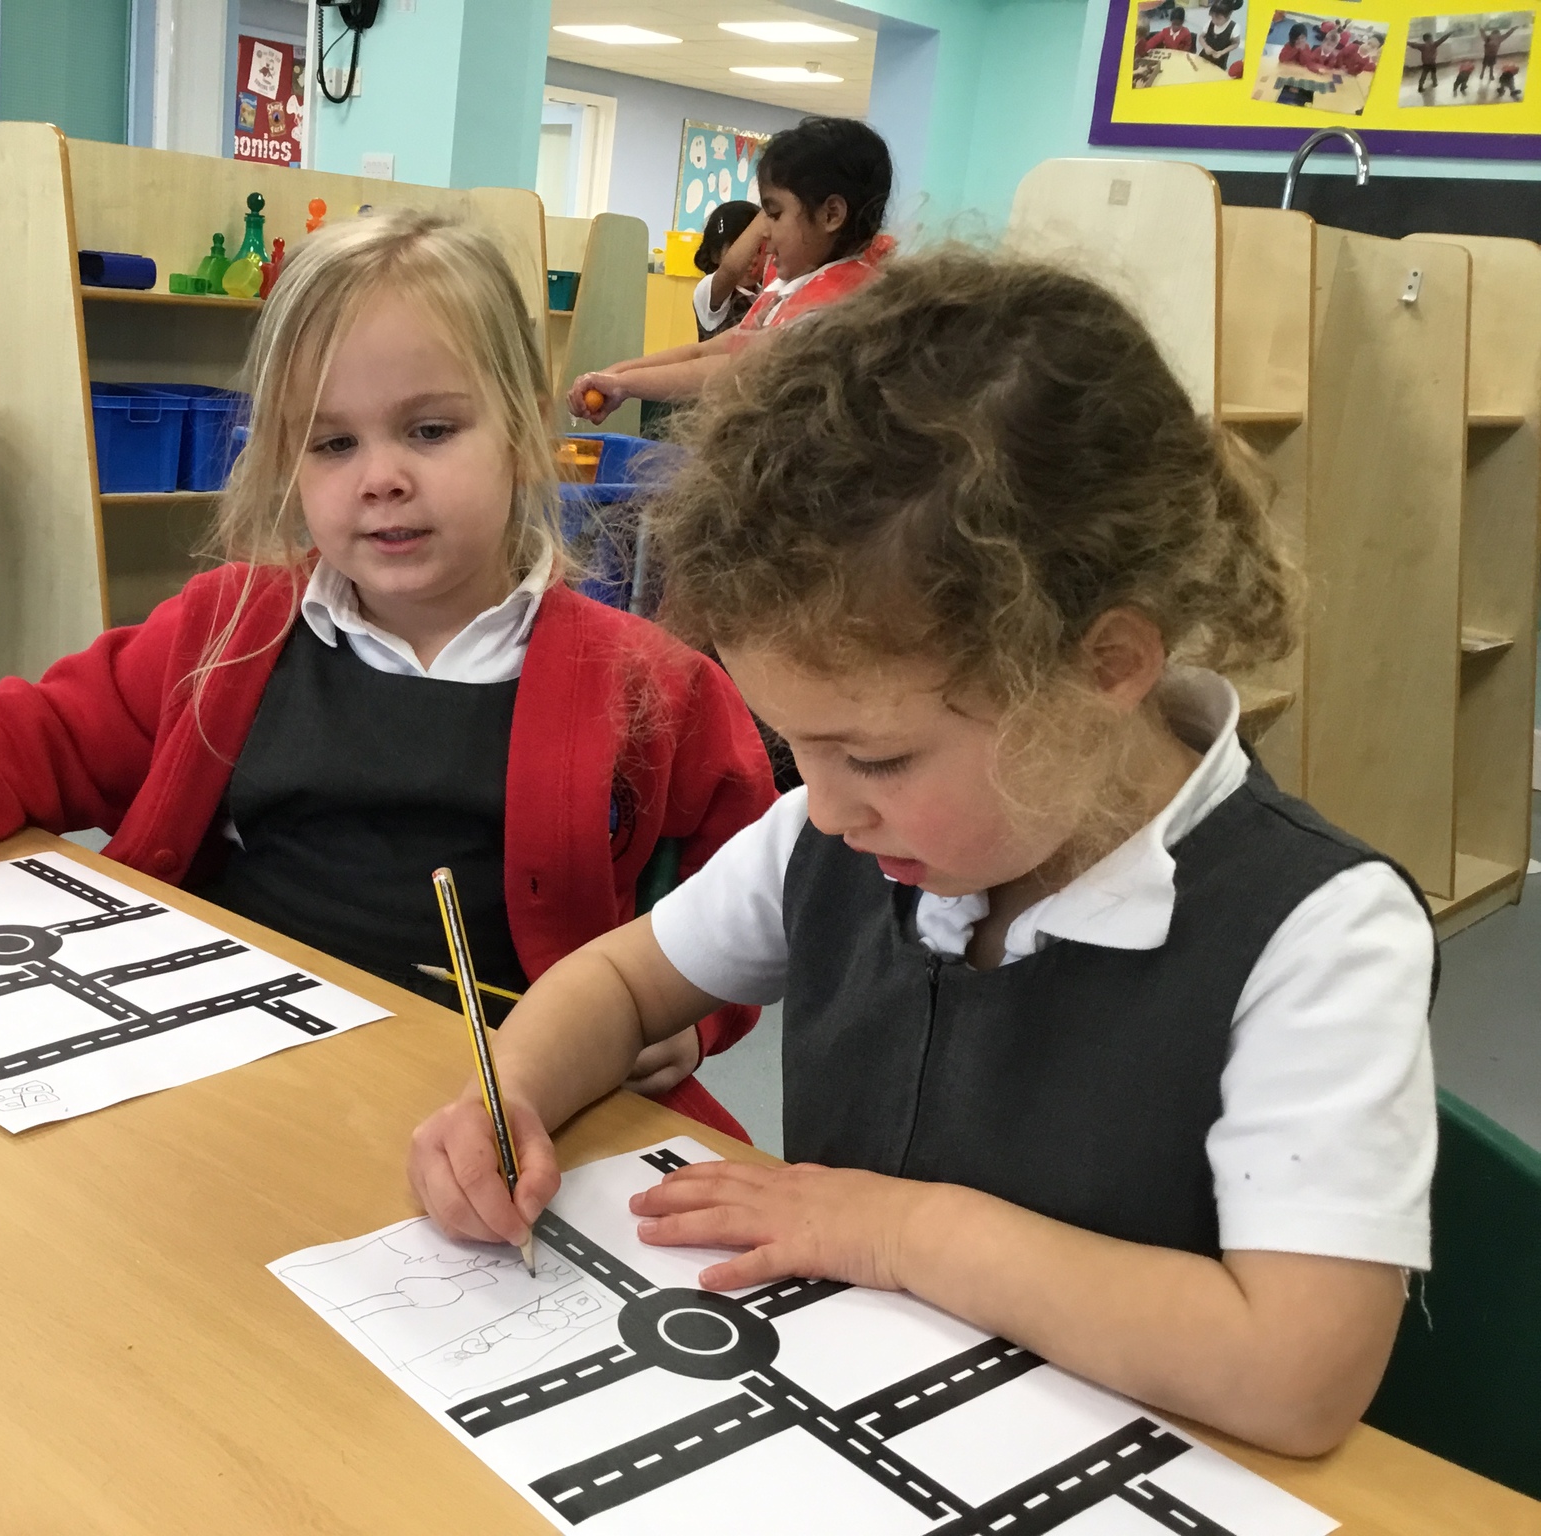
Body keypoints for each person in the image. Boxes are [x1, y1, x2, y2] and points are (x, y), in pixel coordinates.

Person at [408, 250, 1436, 1457]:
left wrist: (893, 1232)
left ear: (1101, 669)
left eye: (877, 758)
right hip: (839, 1431)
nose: (824, 810)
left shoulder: (1317, 932)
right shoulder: (842, 833)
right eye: (795, 750)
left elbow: (1296, 1377)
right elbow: (623, 983)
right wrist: (508, 1095)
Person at [0, 210, 778, 1136]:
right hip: (218, 1082)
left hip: (493, 1114)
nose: (380, 478)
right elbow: (35, 735)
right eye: (330, 444)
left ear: (525, 434)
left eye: (430, 429)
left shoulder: (655, 688)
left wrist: (688, 1018)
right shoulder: (229, 631)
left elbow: (759, 892)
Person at [567, 117, 894, 424]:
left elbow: (737, 367)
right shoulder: (792, 286)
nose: (764, 233)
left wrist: (625, 384)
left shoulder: (839, 310)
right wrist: (617, 374)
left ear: (831, 215)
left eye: (774, 215)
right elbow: (710, 349)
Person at [689, 200, 766, 344]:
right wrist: (767, 211)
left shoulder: (766, 291)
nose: (753, 259)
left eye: (759, 249)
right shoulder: (707, 292)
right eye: (740, 249)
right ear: (715, 255)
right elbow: (731, 270)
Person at [1410, 26, 1455, 91]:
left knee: (1427, 75)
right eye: (1431, 38)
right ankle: (1431, 84)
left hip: (1428, 64)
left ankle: (1426, 85)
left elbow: (1413, 44)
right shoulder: (1433, 44)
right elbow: (1442, 39)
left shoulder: (1423, 46)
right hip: (1430, 64)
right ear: (1429, 39)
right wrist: (1449, 33)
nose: (1432, 40)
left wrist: (1407, 42)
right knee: (1431, 74)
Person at [1197, 3, 1238, 69]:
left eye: (1219, 18)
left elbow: (1235, 43)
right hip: (1204, 57)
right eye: (1212, 17)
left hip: (1219, 62)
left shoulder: (1233, 28)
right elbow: (1201, 37)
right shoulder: (1210, 23)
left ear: (1228, 16)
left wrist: (1222, 52)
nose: (1214, 21)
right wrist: (1206, 47)